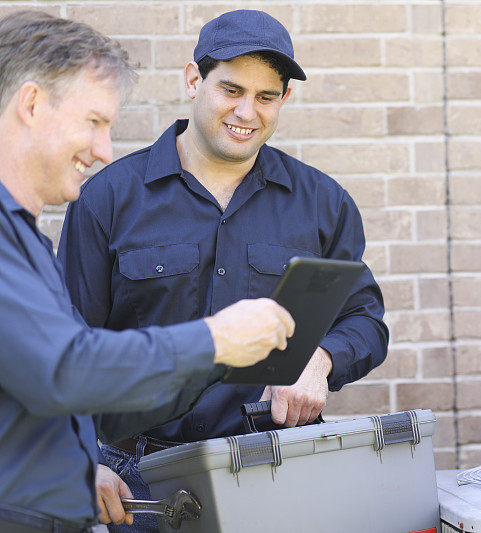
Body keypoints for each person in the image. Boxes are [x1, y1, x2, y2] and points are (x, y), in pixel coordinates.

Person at [58, 8, 389, 531]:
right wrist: (81, 457)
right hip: (141, 479)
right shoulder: (108, 200)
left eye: (266, 96)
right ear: (194, 80)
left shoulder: (323, 204)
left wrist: (320, 360)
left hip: (277, 468)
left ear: (285, 99)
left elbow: (366, 323)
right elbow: (67, 349)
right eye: (231, 89)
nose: (247, 112)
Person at [0, 10, 297, 533]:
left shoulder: (23, 237)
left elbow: (65, 388)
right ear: (30, 104)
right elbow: (68, 369)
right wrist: (213, 340)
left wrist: (77, 460)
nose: (103, 150)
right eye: (94, 122)